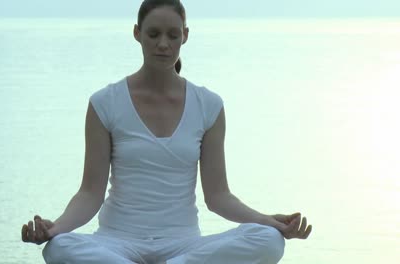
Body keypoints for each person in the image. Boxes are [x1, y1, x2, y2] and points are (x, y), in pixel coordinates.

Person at [21, 0, 312, 263]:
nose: (163, 44)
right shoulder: (104, 103)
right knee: (58, 248)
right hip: (116, 244)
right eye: (153, 34)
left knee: (269, 241)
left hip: (183, 246)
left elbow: (218, 196)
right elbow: (90, 193)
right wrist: (55, 228)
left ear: (185, 35)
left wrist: (268, 221)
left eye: (173, 35)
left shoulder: (208, 105)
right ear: (137, 34)